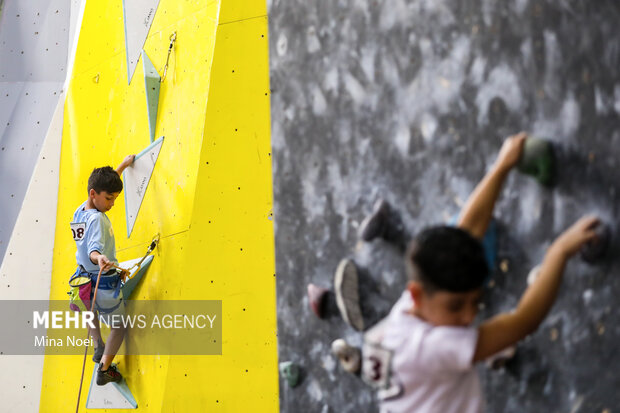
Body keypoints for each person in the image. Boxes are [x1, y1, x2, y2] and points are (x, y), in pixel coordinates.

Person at [365, 133, 600, 413]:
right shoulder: (434, 347)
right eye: (455, 306)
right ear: (416, 294)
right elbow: (523, 322)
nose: (469, 316)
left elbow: (467, 232)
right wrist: (559, 252)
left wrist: (502, 166)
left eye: (475, 302)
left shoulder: (409, 309)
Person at [70, 155, 135, 385]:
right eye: (109, 198)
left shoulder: (81, 210)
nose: (112, 204)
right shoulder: (97, 220)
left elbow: (103, 186)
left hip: (83, 278)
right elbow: (93, 250)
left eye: (115, 198)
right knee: (119, 327)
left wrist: (122, 167)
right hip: (102, 279)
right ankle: (105, 369)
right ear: (93, 194)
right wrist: (99, 258)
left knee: (90, 310)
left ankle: (98, 345)